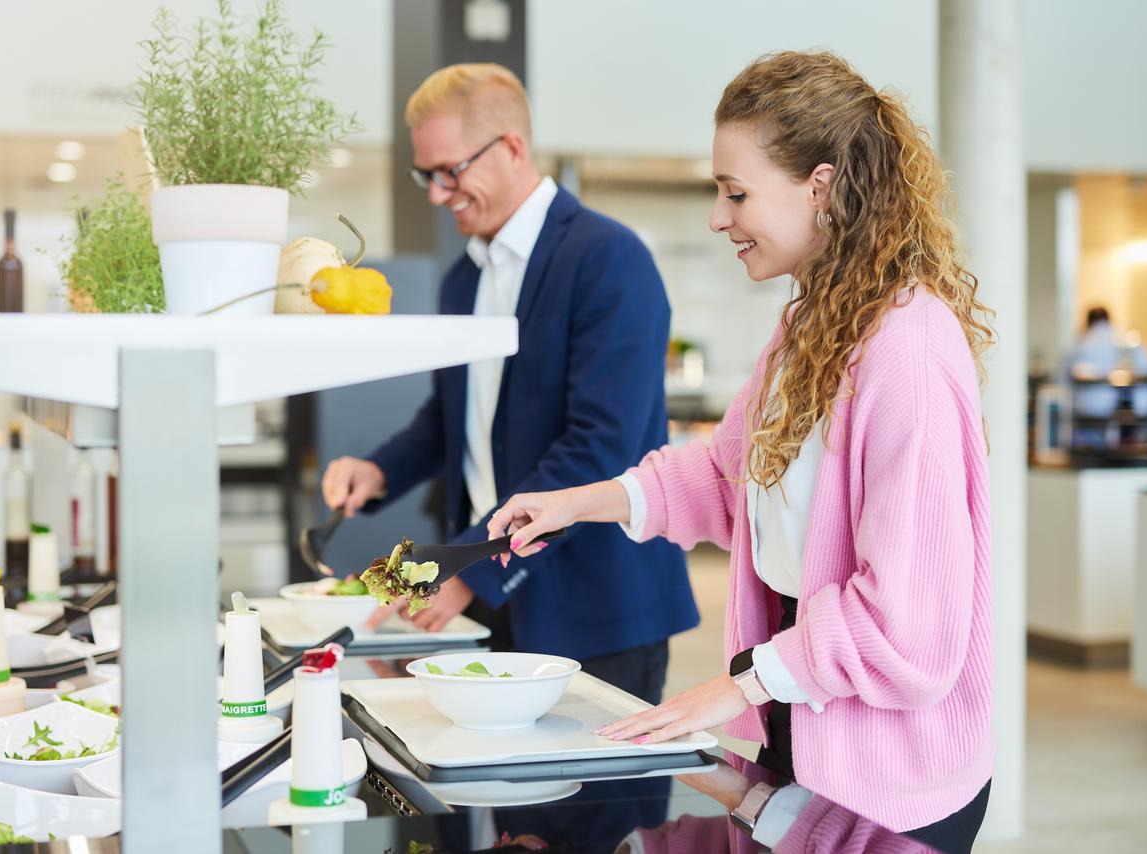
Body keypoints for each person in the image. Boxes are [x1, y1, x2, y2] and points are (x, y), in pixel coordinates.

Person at [488, 51, 995, 852]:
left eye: (736, 193)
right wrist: (578, 504)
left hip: (893, 777)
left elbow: (911, 622)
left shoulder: (910, 348)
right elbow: (727, 475)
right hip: (804, 719)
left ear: (820, 189)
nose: (720, 217)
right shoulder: (808, 326)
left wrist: (739, 685)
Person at [320, 63, 698, 705]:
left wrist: (465, 565)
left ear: (512, 149)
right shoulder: (463, 279)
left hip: (594, 610)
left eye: (449, 171)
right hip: (494, 598)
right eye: (426, 176)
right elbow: (448, 419)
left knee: (584, 806)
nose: (437, 194)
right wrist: (377, 471)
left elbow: (600, 448)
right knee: (501, 798)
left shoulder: (609, 259)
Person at [1062, 306, 1147, 418]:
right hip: (1138, 413)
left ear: (1088, 322)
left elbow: (1063, 382)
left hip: (1092, 414)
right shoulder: (1132, 340)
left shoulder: (1080, 345)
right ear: (1109, 319)